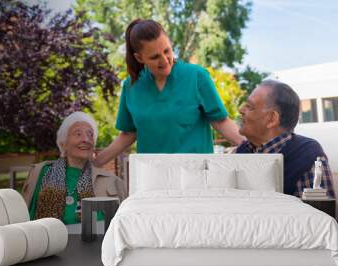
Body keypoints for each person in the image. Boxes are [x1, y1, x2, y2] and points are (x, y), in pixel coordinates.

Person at [94, 19, 243, 167]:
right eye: (154, 57)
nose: (164, 60)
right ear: (139, 58)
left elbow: (221, 122)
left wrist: (257, 148)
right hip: (152, 177)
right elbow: (128, 134)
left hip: (195, 177)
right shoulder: (131, 86)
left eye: (167, 51)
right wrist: (93, 164)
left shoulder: (197, 76)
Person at [22, 112, 126, 227]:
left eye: (90, 135)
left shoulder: (111, 181)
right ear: (63, 143)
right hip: (46, 242)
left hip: (94, 244)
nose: (86, 139)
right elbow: (25, 219)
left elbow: (122, 226)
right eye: (78, 134)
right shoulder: (41, 172)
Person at [235, 80, 335, 197]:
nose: (241, 110)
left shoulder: (308, 156)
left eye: (250, 106)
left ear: (271, 119)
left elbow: (321, 213)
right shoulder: (242, 151)